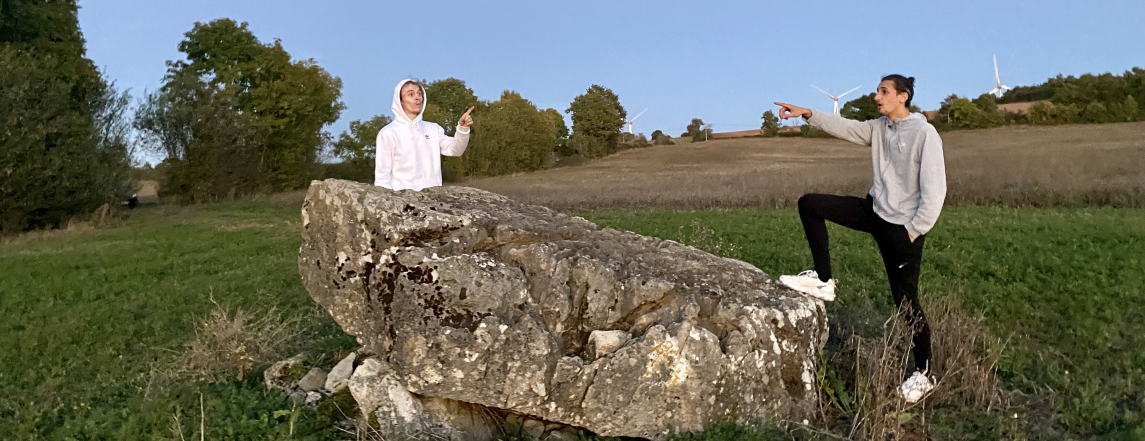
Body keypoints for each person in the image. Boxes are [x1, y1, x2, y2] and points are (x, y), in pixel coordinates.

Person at [774, 75, 946, 404]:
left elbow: (935, 190)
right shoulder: (879, 128)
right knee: (810, 204)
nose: (877, 96)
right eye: (878, 90)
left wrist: (914, 230)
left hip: (902, 229)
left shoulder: (925, 134)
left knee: (906, 303)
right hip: (873, 211)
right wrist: (807, 113)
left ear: (902, 97)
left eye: (884, 92)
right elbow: (846, 127)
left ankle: (924, 373)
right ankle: (823, 280)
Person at [375, 79, 474, 190]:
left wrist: (463, 129)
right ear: (400, 101)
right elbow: (382, 177)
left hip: (432, 201)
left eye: (419, 93)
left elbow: (455, 150)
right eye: (411, 94)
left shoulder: (433, 129)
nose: (417, 98)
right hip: (402, 202)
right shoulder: (388, 133)